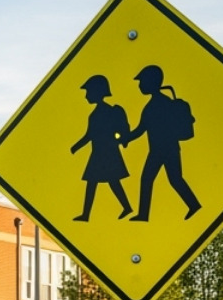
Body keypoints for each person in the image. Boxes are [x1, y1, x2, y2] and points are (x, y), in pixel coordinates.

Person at [123, 64, 201, 221]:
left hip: (161, 150)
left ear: (151, 83)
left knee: (149, 179)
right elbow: (142, 129)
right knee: (174, 179)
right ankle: (193, 205)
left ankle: (144, 214)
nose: (139, 85)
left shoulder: (153, 106)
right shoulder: (159, 103)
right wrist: (125, 139)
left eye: (141, 82)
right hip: (170, 148)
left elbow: (140, 130)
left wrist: (125, 139)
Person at [68, 74, 133, 221]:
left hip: (106, 154)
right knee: (101, 182)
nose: (86, 96)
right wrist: (75, 147)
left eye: (88, 92)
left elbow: (94, 135)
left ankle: (123, 207)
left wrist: (118, 141)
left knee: (106, 182)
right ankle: (89, 214)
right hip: (99, 153)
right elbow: (89, 135)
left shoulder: (106, 113)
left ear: (97, 92)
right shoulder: (95, 114)